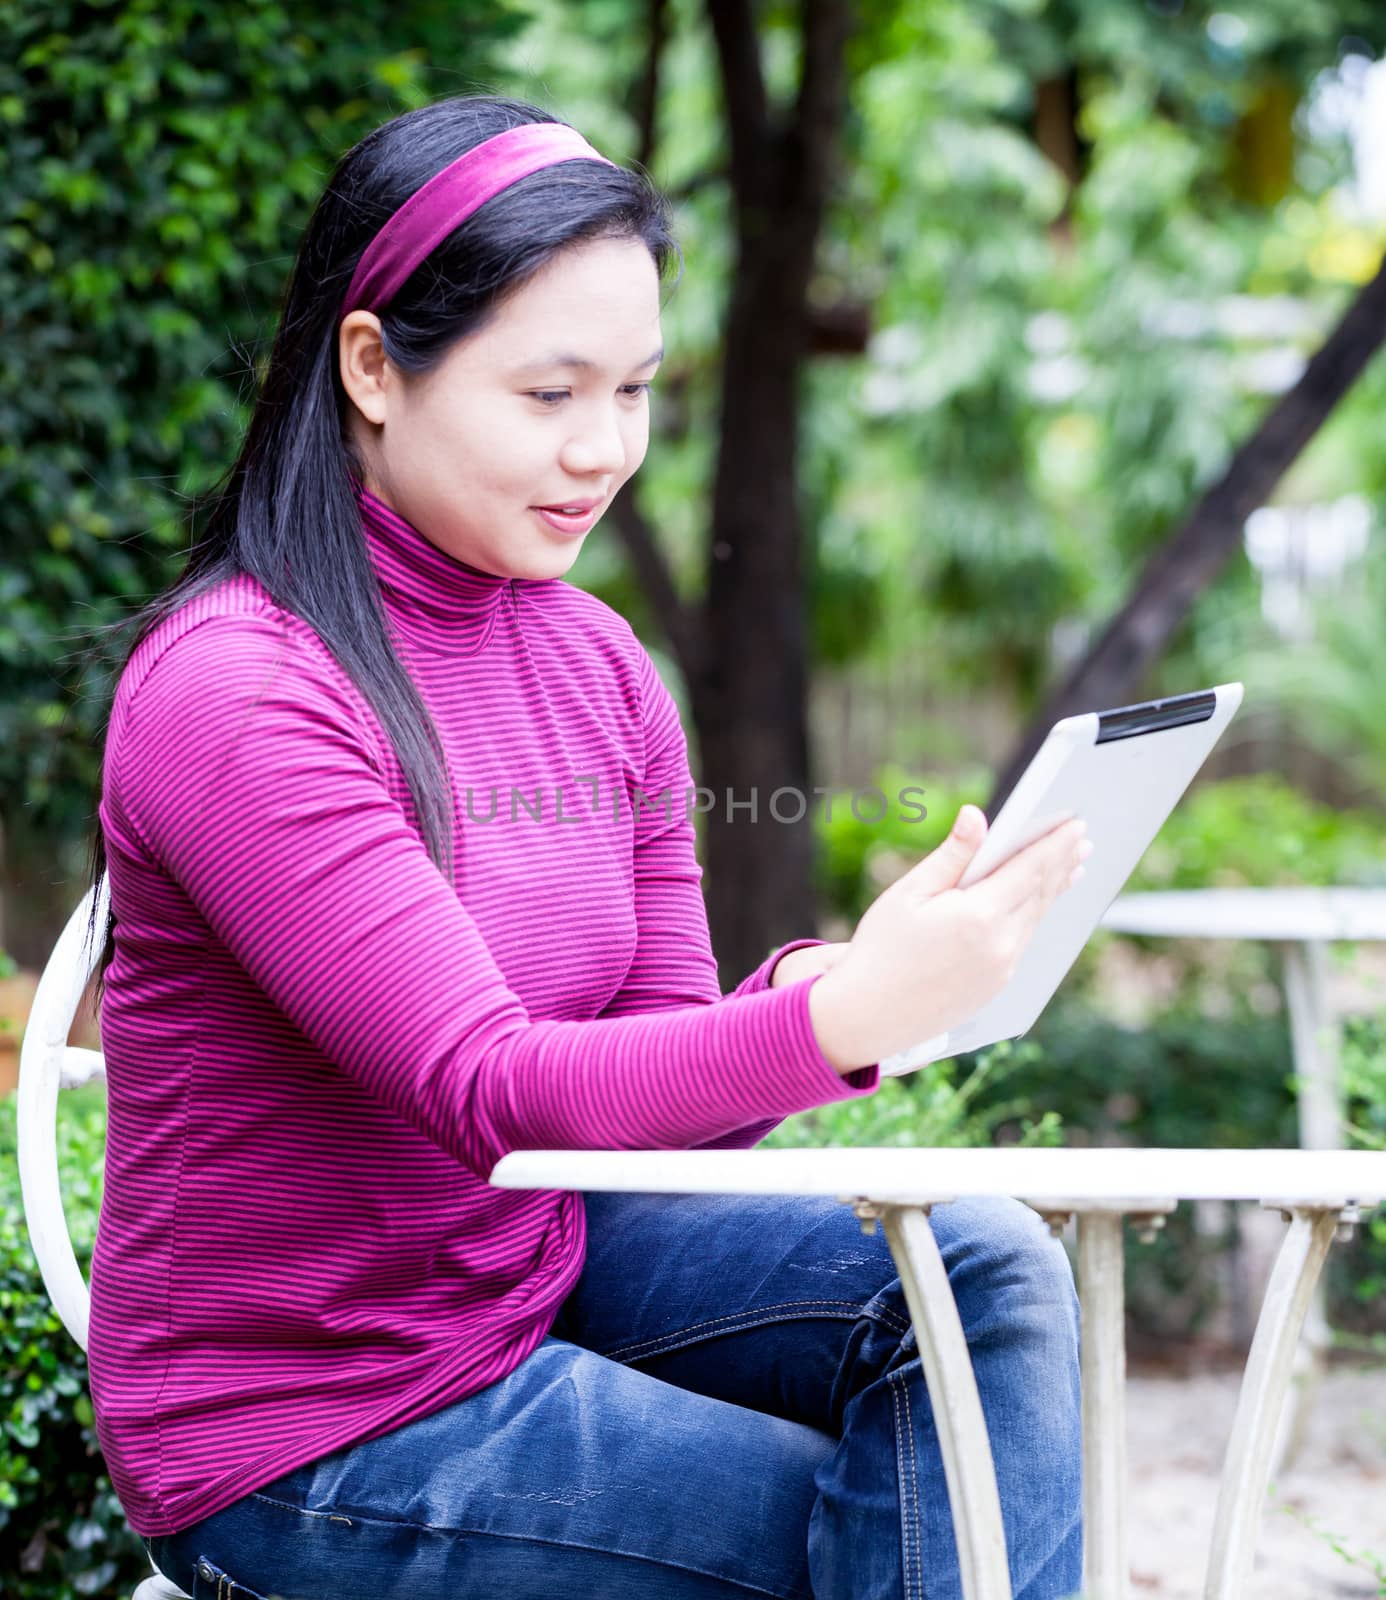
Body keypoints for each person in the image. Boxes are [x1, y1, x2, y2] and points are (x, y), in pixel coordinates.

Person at [85, 94, 1090, 1600]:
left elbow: (655, 1093)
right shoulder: (240, 688)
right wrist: (840, 1021)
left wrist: (843, 983)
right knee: (882, 1529)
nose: (605, 450)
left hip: (531, 1275)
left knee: (984, 1274)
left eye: (633, 390)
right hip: (302, 1418)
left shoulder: (600, 662)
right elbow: (488, 1092)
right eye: (549, 394)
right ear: (372, 365)